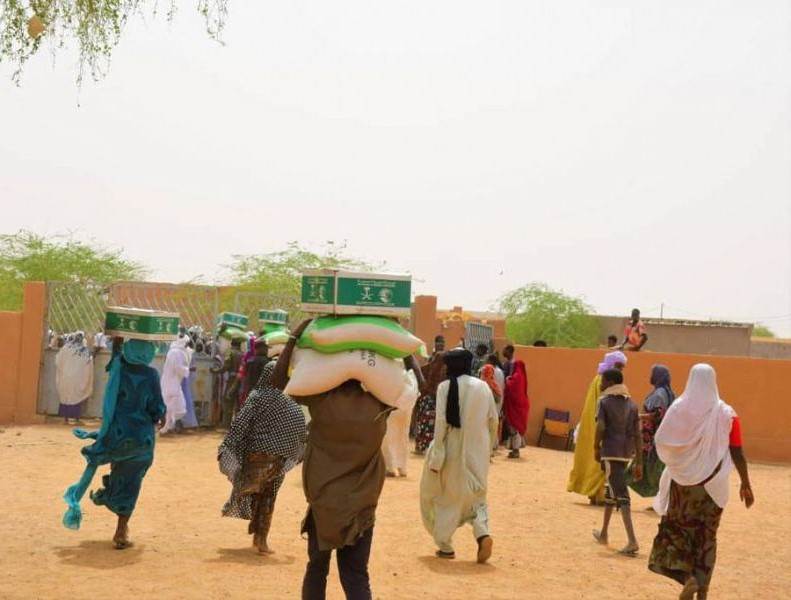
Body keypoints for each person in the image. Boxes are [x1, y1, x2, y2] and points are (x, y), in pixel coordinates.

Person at [272, 319, 414, 600]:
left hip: (323, 502)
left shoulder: (320, 400)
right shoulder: (379, 405)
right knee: (356, 575)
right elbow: (417, 384)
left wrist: (293, 339)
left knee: (316, 569)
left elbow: (278, 384)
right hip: (361, 506)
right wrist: (402, 343)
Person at [648, 364, 754, 599]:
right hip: (712, 487)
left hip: (682, 487)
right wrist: (746, 483)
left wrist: (679, 461)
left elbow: (661, 439)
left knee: (676, 532)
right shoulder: (727, 414)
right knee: (707, 538)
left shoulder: (678, 409)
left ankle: (688, 579)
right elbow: (737, 451)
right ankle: (702, 592)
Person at [62, 337, 166, 549]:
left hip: (117, 435)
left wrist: (117, 342)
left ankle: (110, 496)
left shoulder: (119, 369)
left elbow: (115, 360)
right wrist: (160, 416)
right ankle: (121, 529)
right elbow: (156, 408)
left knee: (119, 472)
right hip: (141, 440)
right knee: (133, 481)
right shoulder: (151, 375)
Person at [420, 348, 498, 563]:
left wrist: (437, 455)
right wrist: (488, 449)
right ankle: (482, 533)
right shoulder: (483, 387)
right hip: (478, 452)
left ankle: (445, 545)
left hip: (451, 451)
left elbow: (441, 423)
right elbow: (493, 420)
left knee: (447, 498)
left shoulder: (444, 387)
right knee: (477, 497)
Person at [219, 362, 306, 554]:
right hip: (279, 461)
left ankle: (256, 528)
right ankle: (261, 538)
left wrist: (227, 447)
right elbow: (301, 432)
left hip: (255, 458)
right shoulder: (291, 402)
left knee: (253, 492)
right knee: (269, 495)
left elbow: (240, 424)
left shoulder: (257, 397)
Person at [592, 368, 642, 556]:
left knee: (621, 495)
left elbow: (601, 426)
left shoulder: (604, 402)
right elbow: (637, 434)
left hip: (611, 451)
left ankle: (632, 541)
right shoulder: (632, 404)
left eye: (603, 381)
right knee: (611, 490)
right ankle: (604, 533)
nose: (601, 384)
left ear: (611, 383)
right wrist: (639, 461)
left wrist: (596, 447)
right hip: (626, 452)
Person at [567, 350, 627, 504]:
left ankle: (594, 493)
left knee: (595, 462)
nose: (621, 369)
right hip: (599, 425)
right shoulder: (605, 382)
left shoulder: (598, 379)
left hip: (592, 425)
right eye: (619, 366)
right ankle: (597, 494)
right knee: (599, 463)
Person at [627, 365, 675, 498]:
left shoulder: (659, 394)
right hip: (657, 438)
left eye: (653, 374)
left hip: (652, 440)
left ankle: (619, 495)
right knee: (652, 470)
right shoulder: (666, 393)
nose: (650, 377)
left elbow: (658, 414)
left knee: (640, 469)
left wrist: (639, 416)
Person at [382, 369, 420, 478]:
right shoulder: (410, 375)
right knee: (403, 437)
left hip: (392, 407)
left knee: (387, 437)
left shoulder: (390, 372)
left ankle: (390, 467)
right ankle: (402, 468)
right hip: (406, 408)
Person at [413, 335, 447, 455]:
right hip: (430, 398)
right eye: (439, 343)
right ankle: (424, 446)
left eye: (442, 343)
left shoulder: (442, 365)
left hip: (435, 398)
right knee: (426, 421)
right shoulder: (432, 361)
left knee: (430, 422)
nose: (441, 345)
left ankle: (426, 447)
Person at [55, 331, 94, 424]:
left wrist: (64, 371)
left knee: (66, 397)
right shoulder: (84, 351)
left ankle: (66, 419)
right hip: (79, 378)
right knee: (77, 397)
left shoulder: (65, 348)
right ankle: (76, 419)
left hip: (65, 377)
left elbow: (57, 361)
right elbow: (89, 364)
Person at [211, 337, 244, 429]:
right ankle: (238, 425)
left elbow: (226, 367)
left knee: (228, 401)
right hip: (241, 380)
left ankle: (226, 425)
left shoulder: (230, 353)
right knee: (239, 403)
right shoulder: (243, 354)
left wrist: (215, 371)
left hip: (232, 379)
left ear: (232, 344)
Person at [160, 335, 190, 434]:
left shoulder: (172, 351)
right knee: (173, 406)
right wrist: (187, 370)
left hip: (170, 381)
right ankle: (167, 428)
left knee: (172, 406)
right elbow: (178, 367)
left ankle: (168, 427)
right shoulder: (177, 352)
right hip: (172, 383)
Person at [503, 359, 530, 458]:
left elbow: (512, 388)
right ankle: (515, 449)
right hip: (521, 406)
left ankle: (516, 450)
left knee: (514, 428)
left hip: (516, 408)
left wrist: (507, 380)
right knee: (515, 428)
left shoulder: (517, 377)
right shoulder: (522, 377)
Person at [479, 361, 503, 453]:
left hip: (483, 413)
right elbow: (498, 399)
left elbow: (497, 399)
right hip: (490, 412)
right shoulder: (493, 385)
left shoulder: (481, 384)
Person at [179, 338, 200, 430]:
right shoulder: (178, 352)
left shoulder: (189, 353)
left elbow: (193, 368)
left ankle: (187, 423)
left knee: (186, 400)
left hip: (186, 380)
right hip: (181, 379)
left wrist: (185, 369)